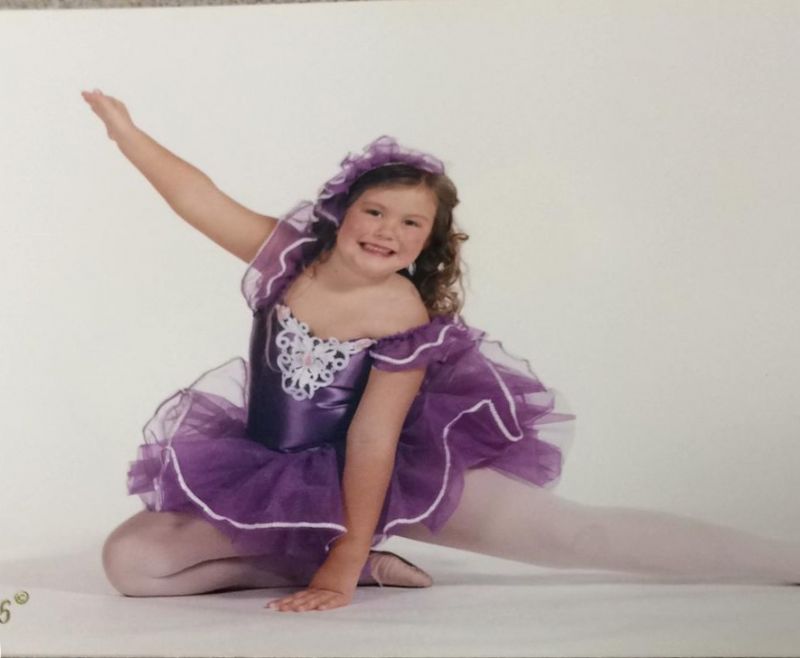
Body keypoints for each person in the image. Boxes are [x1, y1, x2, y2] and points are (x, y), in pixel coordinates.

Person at [82, 89, 800, 614]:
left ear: (429, 242)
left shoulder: (401, 311)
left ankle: (785, 561)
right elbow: (198, 197)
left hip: (393, 476)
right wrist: (126, 134)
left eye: (411, 224)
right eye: (375, 211)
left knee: (576, 534)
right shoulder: (288, 258)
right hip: (274, 473)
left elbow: (371, 440)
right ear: (340, 212)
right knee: (133, 564)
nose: (386, 232)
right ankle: (333, 562)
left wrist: (346, 554)